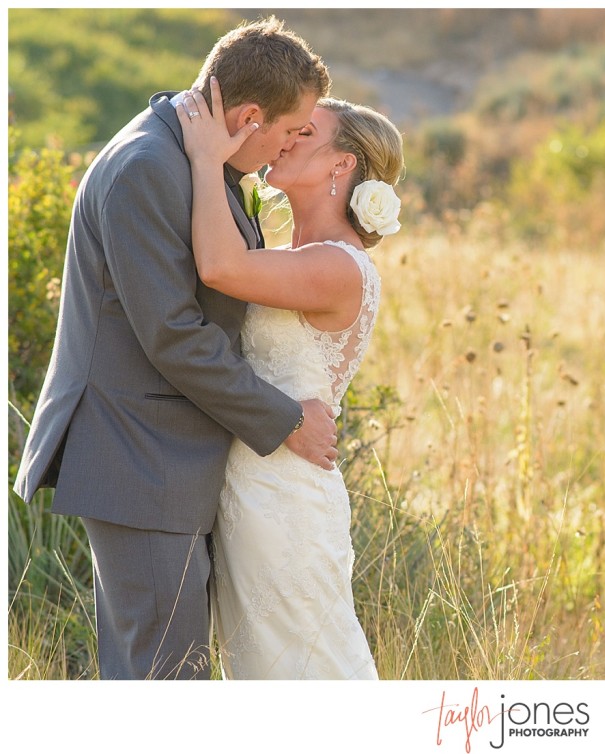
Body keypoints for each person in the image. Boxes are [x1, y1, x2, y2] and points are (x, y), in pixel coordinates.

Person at [12, 17, 334, 680]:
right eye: (288, 128)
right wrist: (288, 420)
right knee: (162, 679)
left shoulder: (196, 159)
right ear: (248, 115)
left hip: (168, 457)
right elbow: (174, 335)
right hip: (141, 458)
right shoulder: (148, 167)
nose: (288, 146)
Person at [175, 78, 404, 679]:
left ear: (342, 162)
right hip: (249, 484)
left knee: (303, 667)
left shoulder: (337, 264)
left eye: (305, 132)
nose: (285, 137)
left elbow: (221, 267)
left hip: (285, 498)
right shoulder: (292, 247)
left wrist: (205, 157)